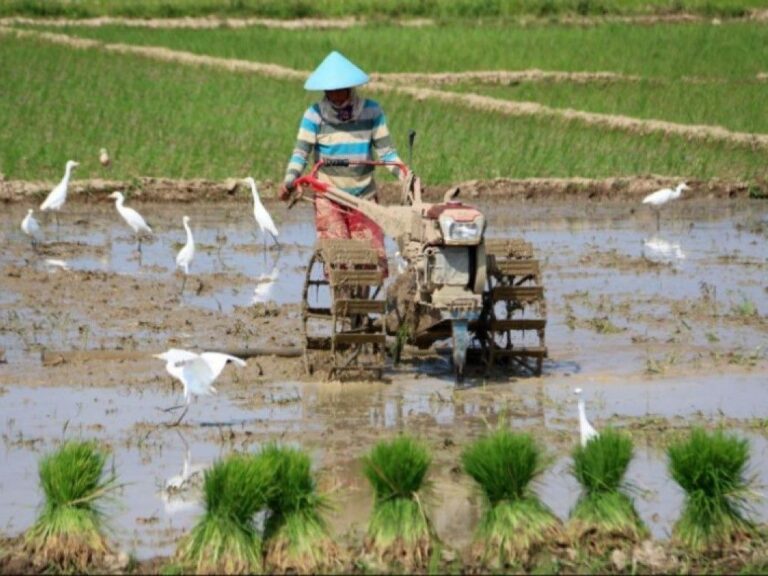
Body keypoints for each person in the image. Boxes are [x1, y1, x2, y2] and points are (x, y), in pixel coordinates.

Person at [279, 51, 405, 275]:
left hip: (364, 195)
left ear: (350, 87)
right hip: (329, 194)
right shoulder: (314, 116)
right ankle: (343, 302)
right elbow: (300, 154)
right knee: (338, 257)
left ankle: (362, 307)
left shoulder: (372, 112)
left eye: (340, 89)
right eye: (331, 90)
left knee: (371, 260)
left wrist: (407, 178)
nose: (336, 95)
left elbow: (387, 154)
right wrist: (290, 180)